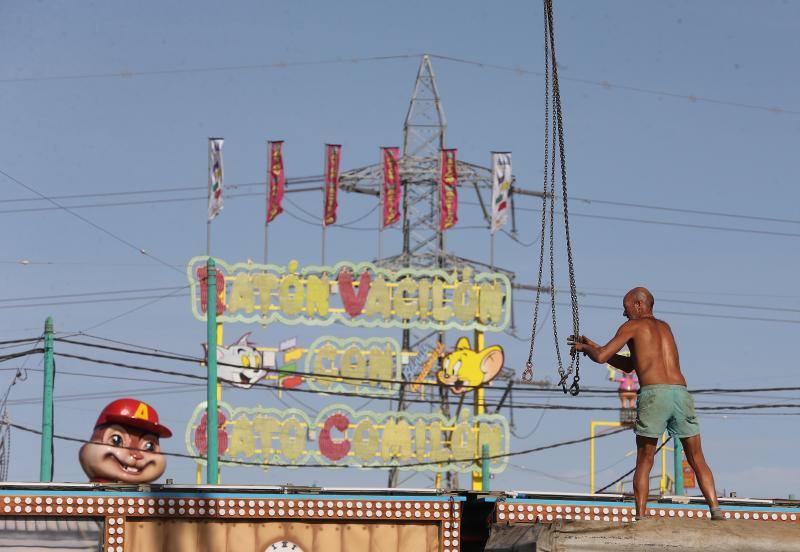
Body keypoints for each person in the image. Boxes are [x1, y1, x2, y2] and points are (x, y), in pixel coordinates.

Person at [567, 287, 723, 520]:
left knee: (645, 458)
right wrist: (593, 346)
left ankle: (640, 516)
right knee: (697, 457)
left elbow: (601, 357)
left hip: (654, 394)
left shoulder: (632, 326)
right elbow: (631, 365)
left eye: (626, 307)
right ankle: (715, 509)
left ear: (639, 305)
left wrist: (585, 348)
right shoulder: (665, 328)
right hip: (680, 393)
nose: (624, 314)